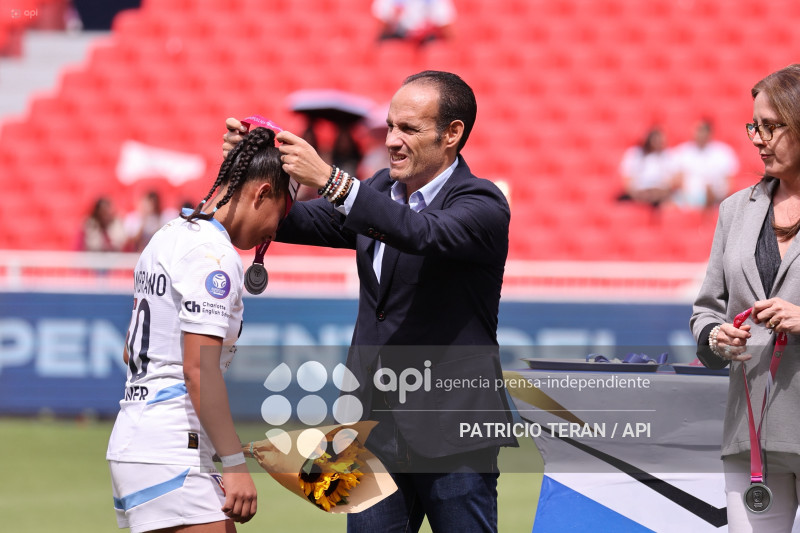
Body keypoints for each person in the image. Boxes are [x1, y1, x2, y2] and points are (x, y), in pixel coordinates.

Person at [223, 70, 515, 533]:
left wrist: (334, 180)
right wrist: (258, 168)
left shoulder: (482, 203)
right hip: (368, 428)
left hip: (454, 431)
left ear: (452, 134)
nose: (393, 141)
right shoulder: (377, 191)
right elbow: (293, 220)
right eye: (391, 126)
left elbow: (421, 232)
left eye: (410, 129)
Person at [107, 127, 291, 533]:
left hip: (135, 442)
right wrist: (235, 463)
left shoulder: (167, 235)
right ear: (261, 194)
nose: (275, 230)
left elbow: (130, 351)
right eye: (280, 212)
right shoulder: (215, 256)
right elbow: (198, 369)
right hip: (172, 451)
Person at [691, 64, 800, 532]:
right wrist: (716, 335)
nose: (757, 138)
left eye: (771, 126)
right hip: (753, 435)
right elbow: (706, 309)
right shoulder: (735, 209)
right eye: (754, 125)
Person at [672, 119, 739, 209]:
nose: (701, 135)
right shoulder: (682, 152)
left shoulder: (723, 152)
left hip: (715, 198)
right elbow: (677, 179)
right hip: (688, 198)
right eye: (699, 131)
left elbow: (729, 181)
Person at [617, 126, 677, 208]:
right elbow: (627, 178)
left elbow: (673, 180)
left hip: (659, 193)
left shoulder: (668, 155)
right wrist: (635, 193)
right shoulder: (635, 154)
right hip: (639, 192)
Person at [372, 0, 456, 45]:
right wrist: (394, 17)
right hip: (398, 36)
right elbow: (382, 25)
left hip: (425, 40)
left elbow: (444, 24)